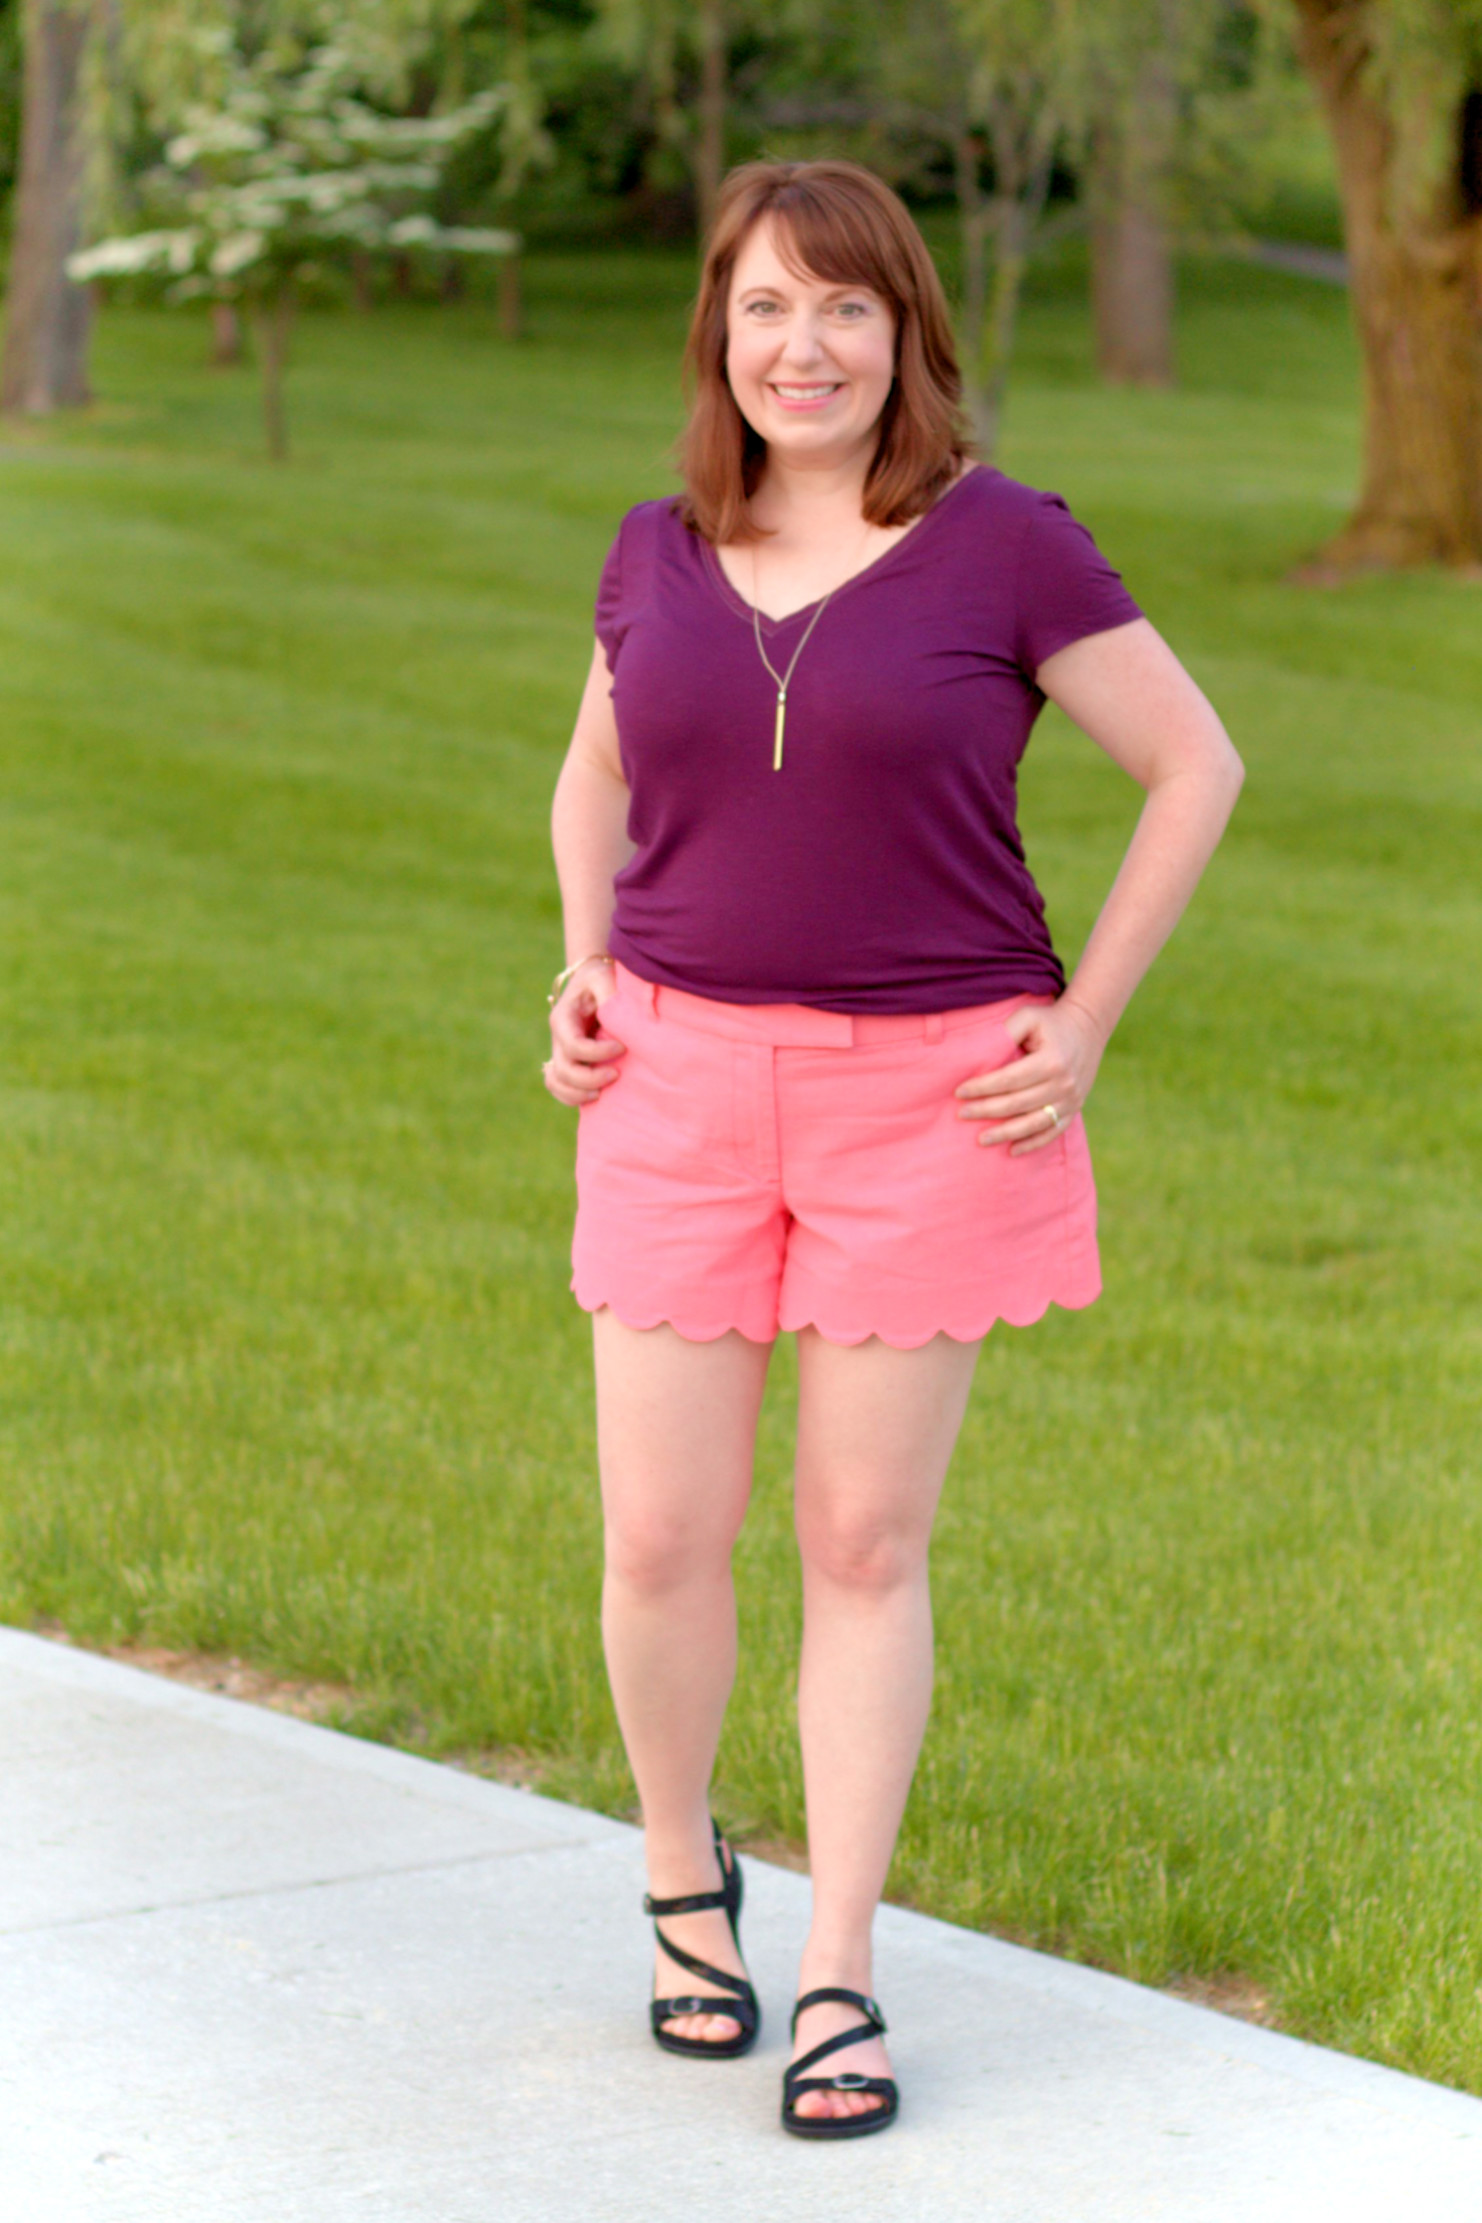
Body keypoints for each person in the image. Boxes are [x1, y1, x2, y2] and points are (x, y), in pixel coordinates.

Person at [543, 158, 1243, 2142]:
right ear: (721, 333)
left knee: (862, 1536)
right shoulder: (654, 546)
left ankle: (839, 1958)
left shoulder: (1002, 544)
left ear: (906, 330)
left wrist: (1082, 1021)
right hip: (674, 1094)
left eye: (847, 307)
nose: (806, 345)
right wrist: (585, 965)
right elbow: (592, 773)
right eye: (768, 306)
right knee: (662, 1533)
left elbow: (1196, 762)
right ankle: (689, 1880)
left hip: (933, 1103)